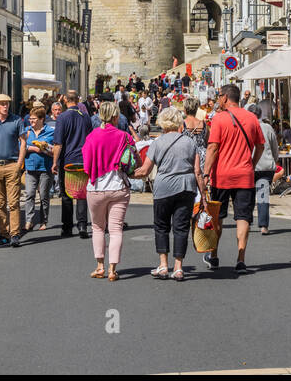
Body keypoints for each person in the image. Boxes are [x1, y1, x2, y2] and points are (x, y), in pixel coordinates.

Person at [202, 84, 266, 272]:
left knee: (218, 217)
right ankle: (241, 258)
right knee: (243, 217)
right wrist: (251, 165)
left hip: (221, 176)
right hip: (244, 175)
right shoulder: (252, 118)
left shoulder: (219, 119)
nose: (217, 100)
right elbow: (260, 146)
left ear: (225, 98)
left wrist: (206, 173)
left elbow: (213, 148)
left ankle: (214, 255)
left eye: (219, 96)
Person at [134, 105, 200, 280]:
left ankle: (163, 265)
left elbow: (145, 170)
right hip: (186, 187)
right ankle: (178, 267)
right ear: (179, 122)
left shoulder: (157, 143)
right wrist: (203, 194)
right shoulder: (190, 142)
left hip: (163, 188)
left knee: (162, 226)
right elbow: (197, 171)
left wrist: (126, 173)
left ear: (162, 123)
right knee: (181, 227)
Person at [81, 101, 133, 281]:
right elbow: (132, 157)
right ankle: (113, 269)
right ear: (115, 116)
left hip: (96, 187)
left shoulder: (92, 136)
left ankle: (100, 266)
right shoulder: (124, 136)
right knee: (116, 229)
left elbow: (87, 165)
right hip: (118, 186)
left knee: (97, 228)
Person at [0, 93, 27, 248]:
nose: (5, 106)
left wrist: (19, 163)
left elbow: (23, 142)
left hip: (11, 165)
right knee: (0, 203)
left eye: (7, 103)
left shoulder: (16, 120)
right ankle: (3, 234)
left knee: (14, 202)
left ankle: (14, 234)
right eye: (2, 104)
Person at [52, 91, 92, 238]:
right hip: (83, 159)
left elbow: (58, 143)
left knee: (66, 193)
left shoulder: (62, 117)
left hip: (67, 159)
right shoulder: (86, 117)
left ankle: (67, 227)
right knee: (81, 193)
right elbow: (90, 139)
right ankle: (82, 225)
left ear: (65, 100)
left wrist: (54, 162)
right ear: (77, 100)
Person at [247, 104, 280, 235]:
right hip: (266, 166)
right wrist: (274, 159)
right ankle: (263, 225)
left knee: (248, 196)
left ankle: (247, 223)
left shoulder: (246, 126)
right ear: (260, 115)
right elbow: (274, 147)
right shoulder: (267, 128)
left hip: (249, 166)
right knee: (263, 196)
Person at [22, 106, 55, 232]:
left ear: (42, 119)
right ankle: (29, 220)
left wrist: (44, 148)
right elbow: (21, 147)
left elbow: (54, 149)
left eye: (34, 119)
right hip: (30, 167)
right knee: (29, 194)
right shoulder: (27, 131)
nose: (31, 121)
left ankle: (43, 220)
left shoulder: (50, 132)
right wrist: (34, 148)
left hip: (45, 167)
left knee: (44, 196)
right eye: (30, 119)